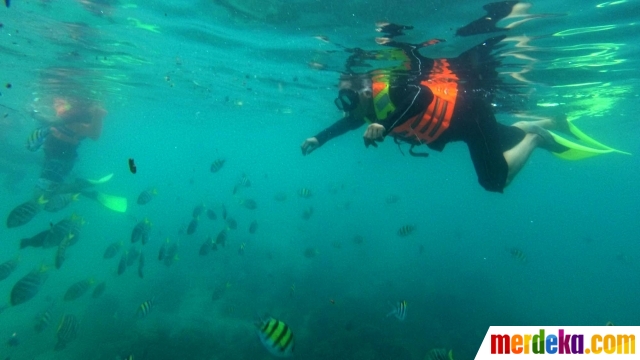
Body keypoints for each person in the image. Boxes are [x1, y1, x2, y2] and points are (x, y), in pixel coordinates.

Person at [300, 32, 609, 193]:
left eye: (351, 99)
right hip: (459, 127)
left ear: (365, 90)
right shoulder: (364, 108)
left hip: (472, 116)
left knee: (493, 182)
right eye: (345, 102)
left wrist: (384, 123)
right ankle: (539, 122)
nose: (350, 109)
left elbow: (421, 96)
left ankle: (536, 138)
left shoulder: (393, 89)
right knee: (504, 138)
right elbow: (349, 122)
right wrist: (319, 138)